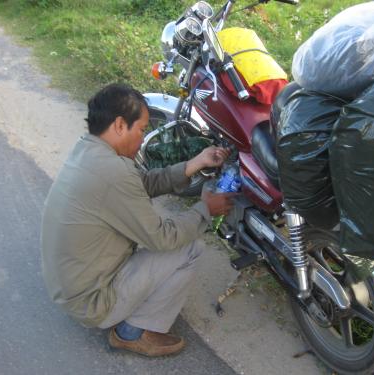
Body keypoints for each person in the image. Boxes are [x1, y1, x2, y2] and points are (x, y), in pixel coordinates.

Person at [40, 83, 235, 357]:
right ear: (120, 125)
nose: (142, 139)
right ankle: (132, 332)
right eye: (141, 129)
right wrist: (205, 209)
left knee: (170, 240)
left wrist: (196, 163)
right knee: (189, 248)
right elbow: (163, 238)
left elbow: (141, 183)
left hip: (70, 287)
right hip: (92, 302)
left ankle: (134, 309)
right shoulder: (112, 171)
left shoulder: (90, 151)